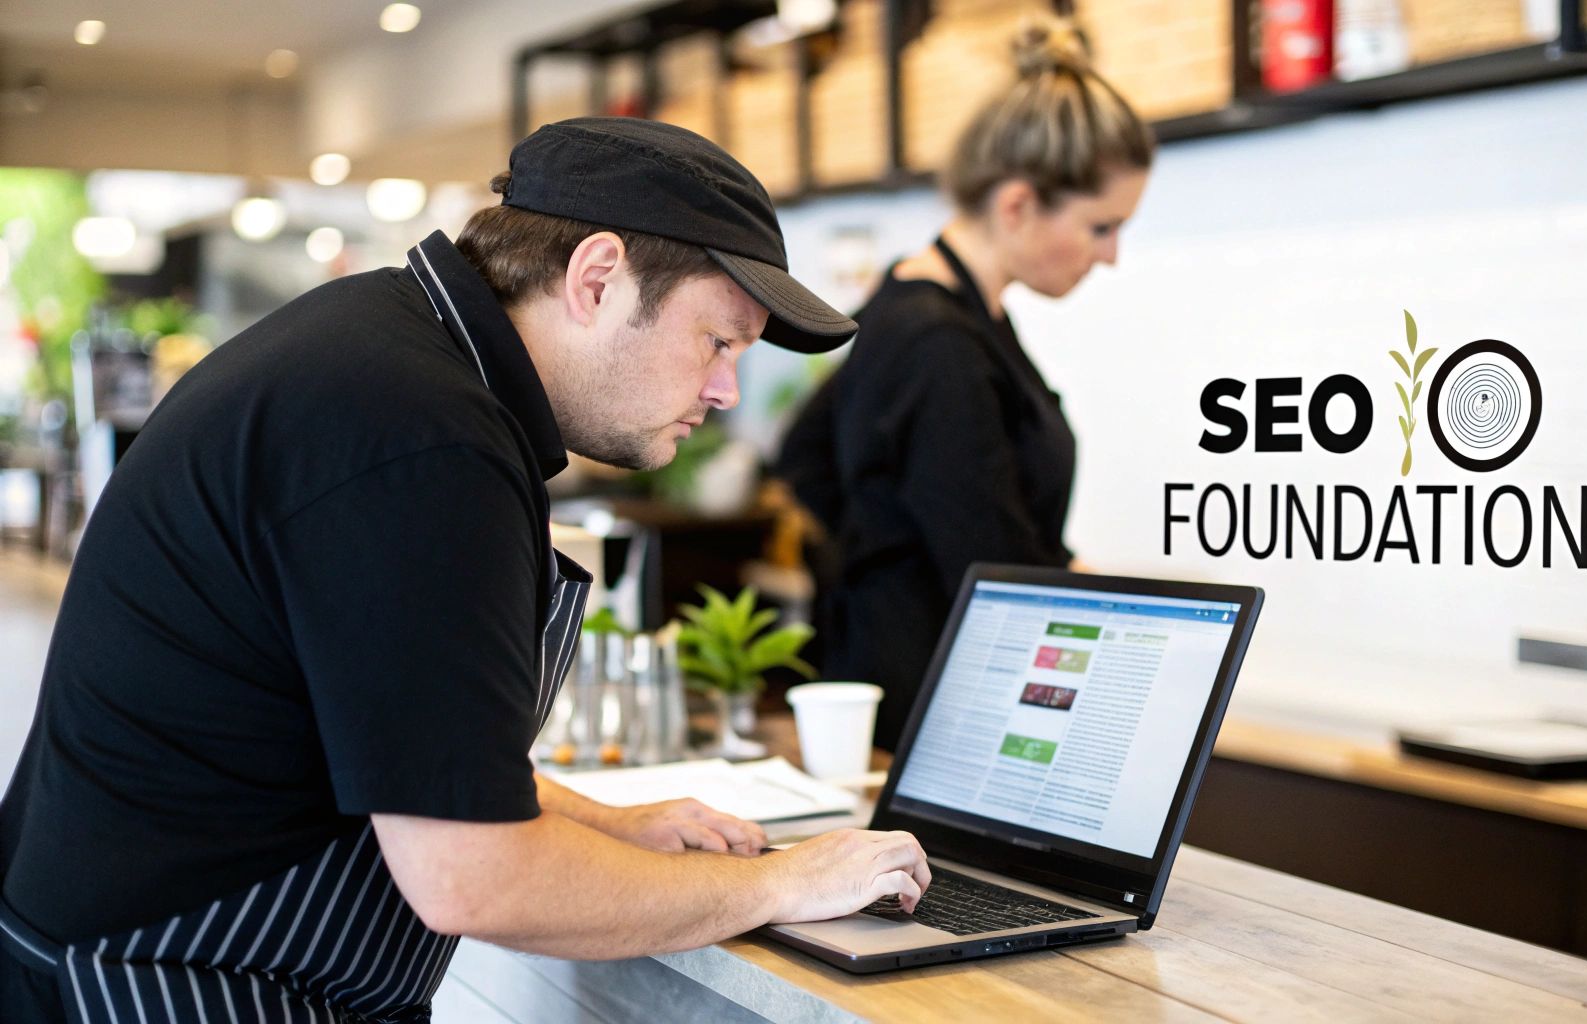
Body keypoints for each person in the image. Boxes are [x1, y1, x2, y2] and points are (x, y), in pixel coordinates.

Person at [0, 117, 929, 1022]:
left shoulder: (395, 358)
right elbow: (471, 877)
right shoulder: (422, 435)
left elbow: (384, 740)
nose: (726, 390)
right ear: (597, 277)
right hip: (163, 979)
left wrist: (610, 826)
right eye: (718, 341)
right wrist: (783, 882)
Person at [777, 20, 1155, 753]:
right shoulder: (938, 341)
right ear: (1016, 205)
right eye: (1101, 227)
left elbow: (804, 453)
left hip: (896, 676)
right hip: (936, 714)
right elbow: (995, 567)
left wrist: (878, 550)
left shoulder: (910, 305)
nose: (1109, 257)